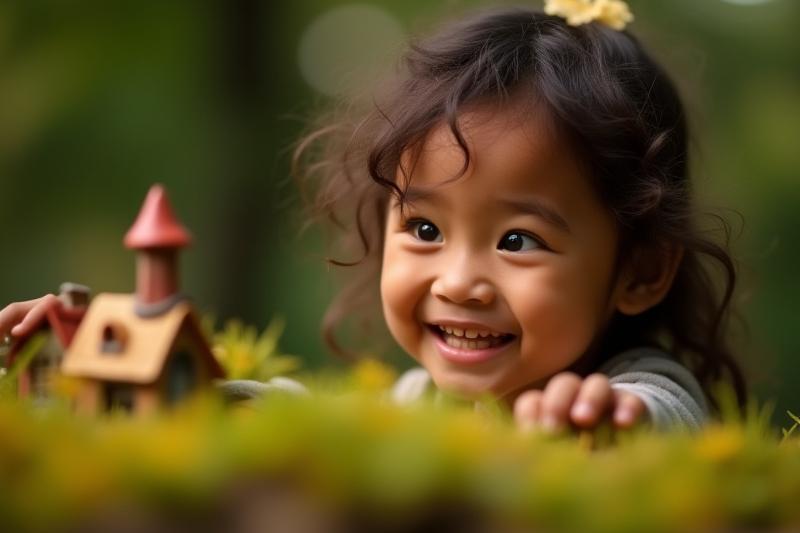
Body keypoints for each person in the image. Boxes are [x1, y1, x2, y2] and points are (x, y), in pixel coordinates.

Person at [1, 1, 746, 432]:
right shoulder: (418, 402)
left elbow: (665, 415)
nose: (459, 281)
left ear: (641, 270)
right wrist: (127, 363)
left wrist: (608, 419)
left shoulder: (639, 383)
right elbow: (307, 421)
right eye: (424, 229)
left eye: (518, 240)